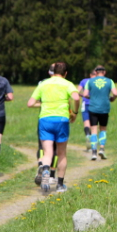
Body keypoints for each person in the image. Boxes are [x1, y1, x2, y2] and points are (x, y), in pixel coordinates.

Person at [27, 62, 80, 193]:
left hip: (45, 119)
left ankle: (45, 169)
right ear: (65, 73)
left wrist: (44, 104)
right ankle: (60, 185)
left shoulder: (43, 84)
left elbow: (30, 103)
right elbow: (76, 97)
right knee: (61, 153)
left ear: (52, 71)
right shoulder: (67, 84)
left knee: (47, 152)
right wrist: (75, 112)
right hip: (61, 120)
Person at [83, 65, 117, 160]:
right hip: (104, 108)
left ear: (95, 72)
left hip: (93, 108)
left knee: (93, 130)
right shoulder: (110, 81)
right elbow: (115, 93)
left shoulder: (90, 81)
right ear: (104, 72)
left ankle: (94, 152)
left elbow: (85, 94)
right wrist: (113, 98)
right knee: (103, 129)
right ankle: (102, 149)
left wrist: (91, 97)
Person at [77, 70, 96, 150]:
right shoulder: (97, 82)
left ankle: (87, 135)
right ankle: (93, 144)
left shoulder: (84, 81)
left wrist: (82, 95)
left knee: (86, 122)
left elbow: (77, 91)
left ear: (90, 74)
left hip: (85, 104)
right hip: (95, 104)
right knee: (94, 125)